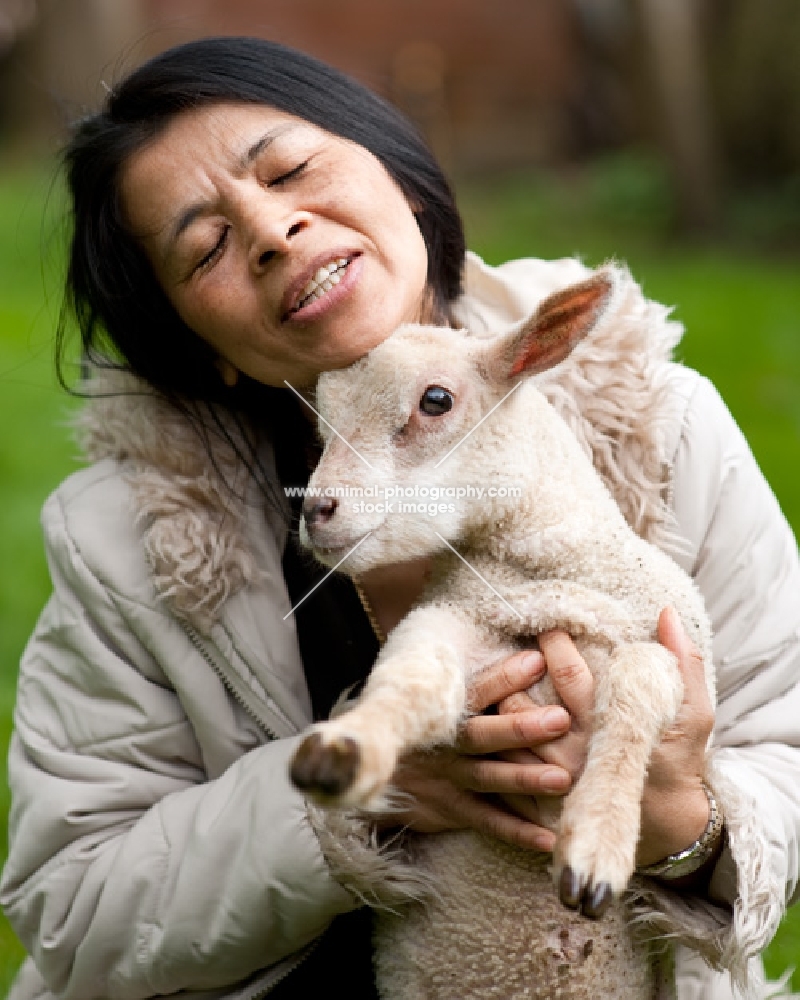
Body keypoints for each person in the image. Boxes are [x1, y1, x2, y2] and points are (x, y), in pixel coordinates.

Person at [1, 35, 798, 1000]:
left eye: (291, 168)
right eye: (204, 244)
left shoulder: (663, 428)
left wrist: (680, 818)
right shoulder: (129, 546)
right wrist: (359, 805)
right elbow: (70, 910)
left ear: (405, 183)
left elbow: (785, 755)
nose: (271, 230)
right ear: (195, 344)